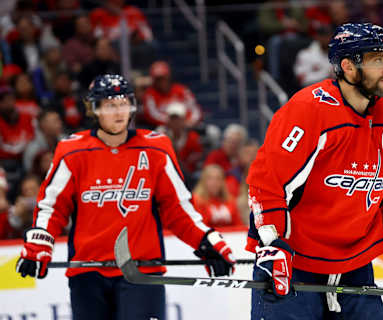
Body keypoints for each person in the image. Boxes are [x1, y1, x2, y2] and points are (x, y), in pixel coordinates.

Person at [245, 23, 383, 320]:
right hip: (294, 265)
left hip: (355, 269)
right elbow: (266, 184)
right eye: (377, 60)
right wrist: (272, 245)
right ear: (348, 66)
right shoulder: (309, 110)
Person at [15, 74, 236, 320]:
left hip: (141, 272)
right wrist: (39, 244)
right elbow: (52, 207)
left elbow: (178, 209)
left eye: (123, 103)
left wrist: (205, 241)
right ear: (95, 109)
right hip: (88, 274)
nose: (119, 112)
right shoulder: (72, 151)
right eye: (110, 105)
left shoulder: (156, 148)